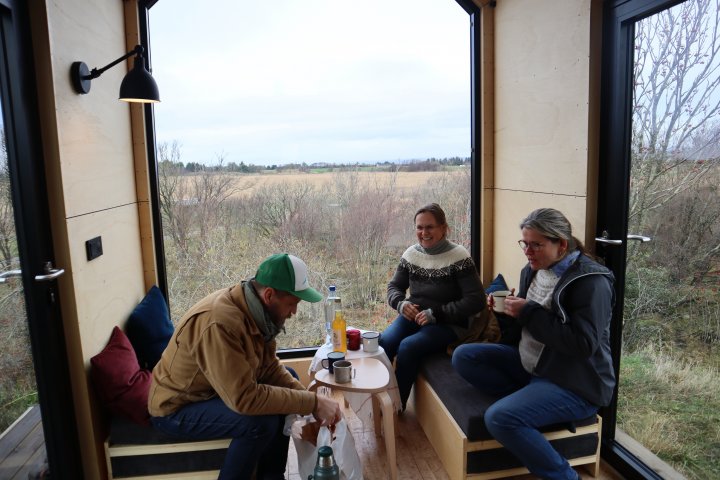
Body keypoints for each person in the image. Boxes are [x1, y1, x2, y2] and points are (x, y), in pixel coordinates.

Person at [452, 208, 616, 480]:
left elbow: (583, 344)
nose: (528, 251)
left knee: (499, 418)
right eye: (525, 243)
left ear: (561, 244)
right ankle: (529, 402)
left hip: (575, 382)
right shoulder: (533, 270)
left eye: (536, 244)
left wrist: (528, 312)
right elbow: (528, 326)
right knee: (464, 356)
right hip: (533, 365)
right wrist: (506, 313)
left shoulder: (590, 282)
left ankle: (565, 476)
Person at [148, 253, 342, 480]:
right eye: (292, 304)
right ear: (269, 295)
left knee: (287, 376)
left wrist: (308, 402)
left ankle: (271, 476)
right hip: (176, 407)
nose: (294, 312)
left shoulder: (256, 312)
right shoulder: (221, 324)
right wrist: (314, 402)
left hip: (210, 390)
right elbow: (244, 398)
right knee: (259, 422)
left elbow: (269, 368)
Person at [379, 203, 486, 411]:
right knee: (385, 343)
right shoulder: (411, 254)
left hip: (448, 323)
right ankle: (378, 398)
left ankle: (395, 407)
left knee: (408, 347)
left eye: (430, 227)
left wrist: (435, 314)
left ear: (443, 228)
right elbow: (394, 287)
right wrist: (401, 304)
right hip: (414, 315)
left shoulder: (459, 256)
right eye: (419, 227)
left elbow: (476, 300)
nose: (424, 232)